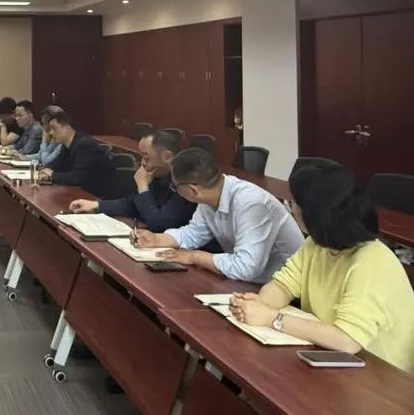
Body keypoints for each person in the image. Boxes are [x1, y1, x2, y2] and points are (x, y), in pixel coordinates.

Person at [229, 162, 413, 374]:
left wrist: (272, 318)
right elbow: (283, 285)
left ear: (314, 216)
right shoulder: (316, 244)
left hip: (381, 373)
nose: (291, 209)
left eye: (293, 204)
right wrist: (260, 303)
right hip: (332, 357)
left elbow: (348, 340)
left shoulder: (372, 261)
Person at [132, 148, 304, 282]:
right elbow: (193, 233)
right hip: (251, 282)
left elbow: (246, 267)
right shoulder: (211, 195)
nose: (175, 191)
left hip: (288, 291)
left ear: (192, 190)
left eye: (175, 187)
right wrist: (157, 239)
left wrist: (195, 256)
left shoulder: (251, 204)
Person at [68, 130, 195, 232]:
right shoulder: (158, 174)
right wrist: (97, 205)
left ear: (167, 157)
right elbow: (133, 203)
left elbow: (159, 224)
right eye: (141, 156)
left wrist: (143, 186)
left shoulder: (186, 181)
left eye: (146, 157)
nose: (142, 163)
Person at [39, 110, 113, 195]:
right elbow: (56, 164)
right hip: (81, 191)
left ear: (66, 128)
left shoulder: (84, 144)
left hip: (97, 195)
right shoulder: (66, 144)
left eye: (54, 128)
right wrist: (43, 171)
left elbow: (77, 177)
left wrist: (52, 175)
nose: (50, 133)